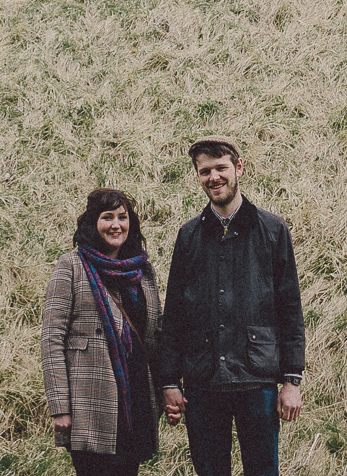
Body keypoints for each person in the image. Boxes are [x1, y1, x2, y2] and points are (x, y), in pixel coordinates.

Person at [156, 137, 305, 476]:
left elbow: (289, 308)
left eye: (220, 167)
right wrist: (169, 381)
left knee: (263, 470)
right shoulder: (189, 235)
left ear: (239, 168)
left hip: (257, 379)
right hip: (202, 380)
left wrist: (292, 380)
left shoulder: (272, 229)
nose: (213, 177)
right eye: (204, 171)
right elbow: (175, 312)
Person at [42, 187, 163, 476]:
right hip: (90, 407)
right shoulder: (70, 267)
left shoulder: (142, 271)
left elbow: (156, 335)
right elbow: (52, 340)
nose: (116, 225)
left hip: (134, 402)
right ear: (92, 223)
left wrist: (167, 388)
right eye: (107, 217)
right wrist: (60, 407)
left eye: (122, 217)